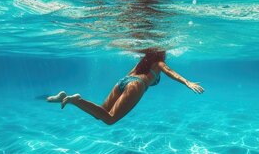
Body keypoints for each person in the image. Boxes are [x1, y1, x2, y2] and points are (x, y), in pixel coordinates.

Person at [46, 48, 204, 125]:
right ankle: (74, 100)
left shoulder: (143, 62)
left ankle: (69, 98)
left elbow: (128, 77)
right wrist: (187, 82)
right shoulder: (158, 63)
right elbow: (169, 71)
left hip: (122, 81)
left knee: (99, 114)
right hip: (136, 85)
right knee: (109, 119)